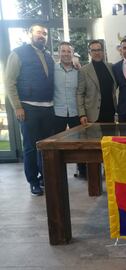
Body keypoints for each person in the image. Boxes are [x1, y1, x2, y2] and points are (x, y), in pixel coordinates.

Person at [5, 24, 55, 196]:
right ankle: (33, 181)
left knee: (45, 147)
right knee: (30, 147)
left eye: (45, 33)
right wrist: (18, 107)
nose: (42, 35)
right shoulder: (18, 53)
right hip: (28, 108)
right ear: (30, 34)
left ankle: (44, 178)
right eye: (38, 32)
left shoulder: (48, 56)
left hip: (48, 108)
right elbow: (9, 82)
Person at [53, 41, 86, 178]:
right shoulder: (52, 70)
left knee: (80, 144)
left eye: (69, 51)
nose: (66, 54)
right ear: (59, 53)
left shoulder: (79, 71)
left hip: (75, 112)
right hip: (57, 113)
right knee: (57, 146)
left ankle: (83, 171)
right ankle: (57, 173)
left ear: (73, 54)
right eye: (63, 51)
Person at [77, 40, 117, 125]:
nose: (97, 53)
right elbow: (80, 94)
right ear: (90, 53)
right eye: (93, 50)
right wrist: (82, 114)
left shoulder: (111, 67)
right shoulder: (84, 70)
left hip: (110, 112)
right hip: (93, 115)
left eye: (99, 50)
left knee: (109, 138)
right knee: (95, 138)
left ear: (103, 51)